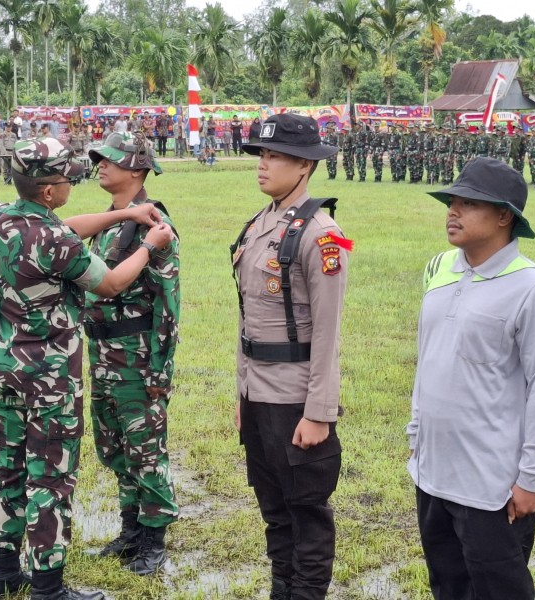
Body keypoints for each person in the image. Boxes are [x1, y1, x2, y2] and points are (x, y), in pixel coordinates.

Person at [0, 138, 174, 600]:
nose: (74, 184)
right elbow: (110, 283)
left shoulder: (2, 219)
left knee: (8, 469)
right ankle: (48, 587)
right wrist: (149, 245)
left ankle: (4, 574)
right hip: (47, 377)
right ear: (49, 191)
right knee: (50, 477)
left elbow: (66, 226)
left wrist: (127, 215)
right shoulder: (54, 240)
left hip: (5, 368)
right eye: (67, 180)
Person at [407, 157, 535, 600]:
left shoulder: (534, 290)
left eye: (470, 203)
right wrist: (417, 432)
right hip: (433, 472)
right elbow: (429, 357)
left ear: (504, 217)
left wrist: (533, 477)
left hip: (491, 486)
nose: (453, 211)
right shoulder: (440, 269)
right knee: (448, 587)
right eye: (452, 201)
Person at [232, 114, 350, 600]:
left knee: (306, 513)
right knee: (275, 512)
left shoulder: (322, 234)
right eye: (261, 154)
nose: (263, 165)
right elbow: (248, 320)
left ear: (304, 165)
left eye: (275, 156)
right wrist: (241, 395)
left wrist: (319, 412)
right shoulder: (260, 223)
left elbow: (328, 331)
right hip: (258, 393)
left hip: (295, 398)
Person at [84, 133, 180, 576]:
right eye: (99, 159)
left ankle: (154, 538)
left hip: (137, 358)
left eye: (111, 160)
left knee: (145, 449)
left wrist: (161, 368)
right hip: (103, 354)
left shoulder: (154, 227)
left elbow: (167, 303)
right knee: (114, 447)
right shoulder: (111, 221)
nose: (101, 165)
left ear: (138, 169)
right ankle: (131, 530)